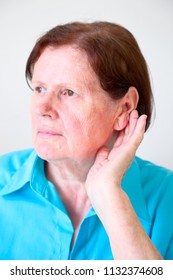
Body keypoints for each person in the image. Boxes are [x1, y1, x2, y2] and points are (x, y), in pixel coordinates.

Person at [0, 21, 173, 260]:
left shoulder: (167, 195)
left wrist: (109, 197)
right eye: (40, 89)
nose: (42, 108)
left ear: (124, 108)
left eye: (68, 92)